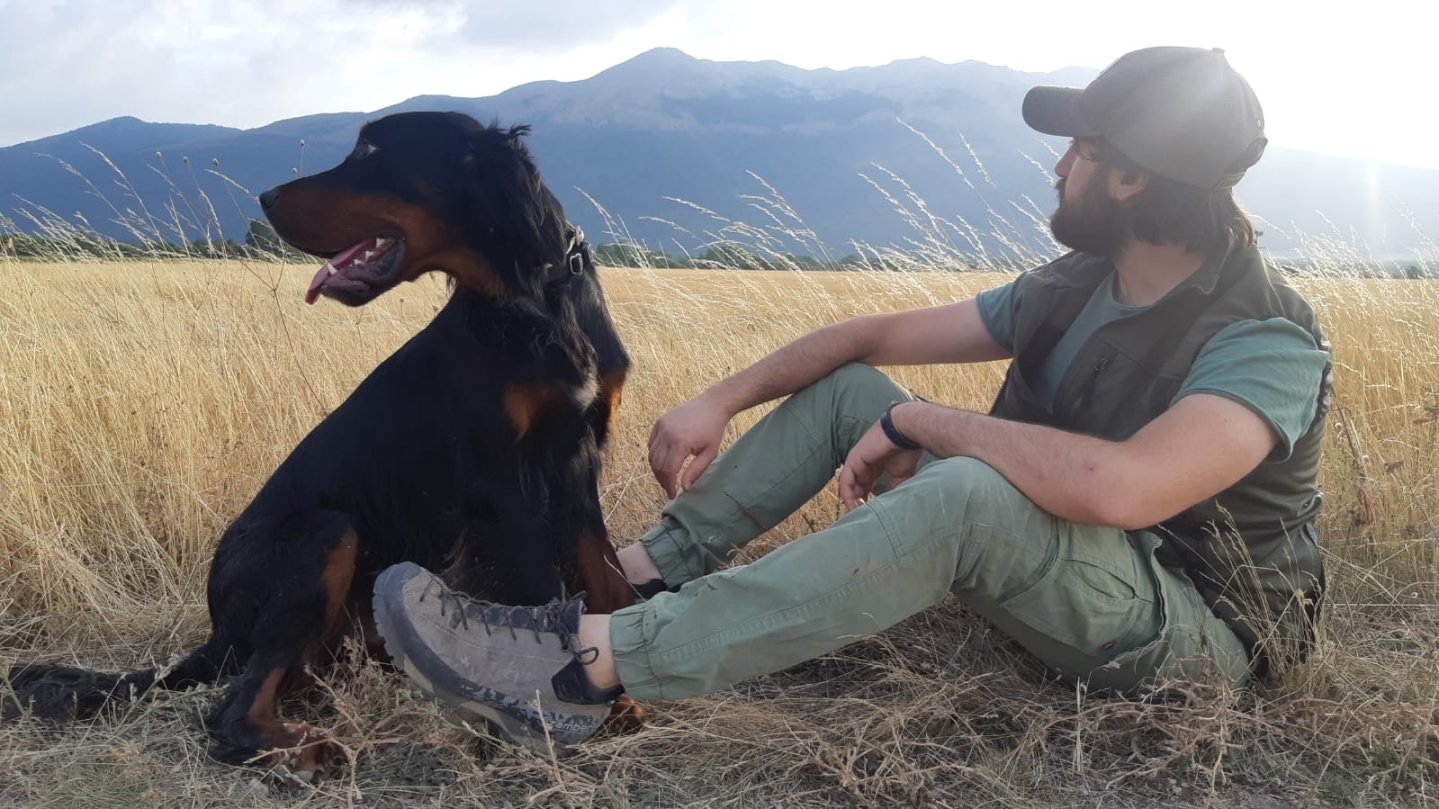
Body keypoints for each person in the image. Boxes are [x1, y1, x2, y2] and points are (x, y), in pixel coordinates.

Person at [372, 46, 1331, 749]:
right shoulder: (1078, 283)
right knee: (850, 390)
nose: (1056, 167)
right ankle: (630, 575)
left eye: (1077, 150)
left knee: (965, 492)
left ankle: (583, 666)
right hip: (1071, 566)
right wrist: (721, 399)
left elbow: (1123, 489)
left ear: (1126, 177)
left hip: (1197, 635)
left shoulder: (1263, 337)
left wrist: (920, 422)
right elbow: (869, 339)